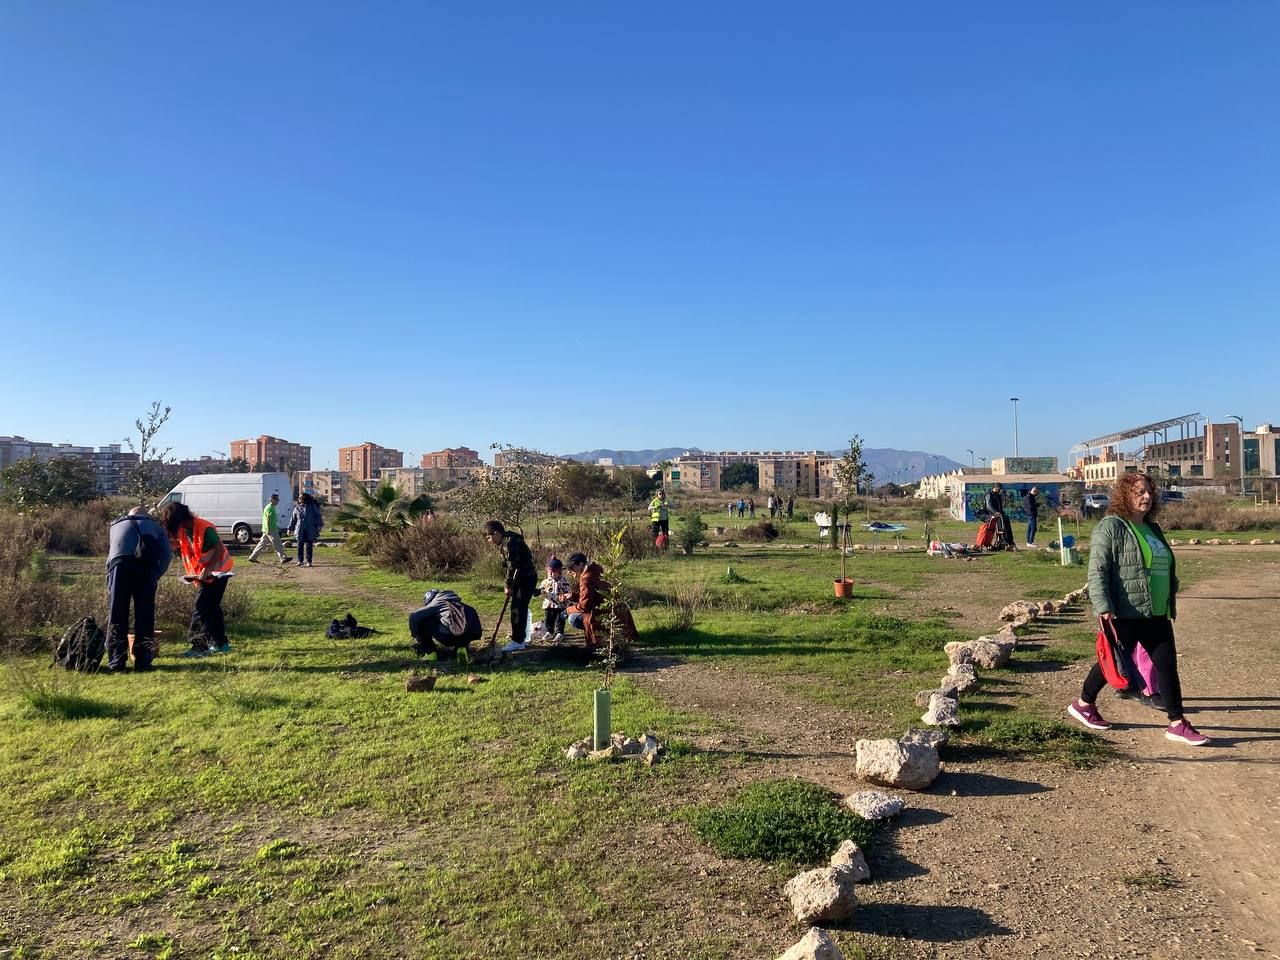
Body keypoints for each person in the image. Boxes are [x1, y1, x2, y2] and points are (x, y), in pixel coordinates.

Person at [1067, 472, 1207, 746]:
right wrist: (1103, 605)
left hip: (1155, 610)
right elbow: (1098, 570)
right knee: (1112, 662)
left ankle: (1177, 724)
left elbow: (1161, 563)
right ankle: (1084, 704)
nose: (1146, 496)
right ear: (1124, 496)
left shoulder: (1152, 528)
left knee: (1167, 665)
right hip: (1125, 610)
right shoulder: (1111, 527)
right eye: (1139, 492)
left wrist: (1170, 587)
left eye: (1149, 492)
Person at [158, 501, 234, 657]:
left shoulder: (204, 528)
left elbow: (219, 549)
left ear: (179, 520)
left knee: (201, 607)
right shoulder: (185, 530)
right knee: (213, 608)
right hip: (203, 575)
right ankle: (221, 644)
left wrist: (208, 568)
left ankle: (199, 646)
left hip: (218, 573)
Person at [104, 506, 171, 672]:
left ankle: (116, 662)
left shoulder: (115, 526)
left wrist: (110, 581)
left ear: (129, 515)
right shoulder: (156, 527)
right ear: (146, 516)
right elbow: (167, 555)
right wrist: (156, 575)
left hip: (119, 567)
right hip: (146, 569)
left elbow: (111, 555)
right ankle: (143, 661)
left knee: (117, 614)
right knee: (145, 615)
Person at [564, 552, 638, 651]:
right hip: (618, 612)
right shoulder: (597, 570)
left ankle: (601, 638)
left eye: (571, 568)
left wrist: (567, 611)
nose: (569, 571)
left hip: (605, 614)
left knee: (573, 618)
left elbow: (584, 607)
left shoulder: (586, 580)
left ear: (581, 564)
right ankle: (612, 636)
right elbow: (594, 596)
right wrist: (573, 596)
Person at [483, 520, 537, 653]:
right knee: (517, 608)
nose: (489, 541)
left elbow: (513, 566)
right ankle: (519, 639)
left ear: (496, 533)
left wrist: (508, 585)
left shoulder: (511, 543)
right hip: (522, 578)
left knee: (518, 609)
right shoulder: (507, 541)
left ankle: (518, 641)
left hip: (525, 578)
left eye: (489, 537)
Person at [408, 588, 483, 658]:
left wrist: (416, 635)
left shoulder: (437, 602)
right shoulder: (461, 605)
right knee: (461, 627)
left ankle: (430, 653)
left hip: (450, 638)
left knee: (423, 622)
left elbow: (413, 616)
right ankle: (461, 649)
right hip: (470, 636)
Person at [248, 493, 291, 565]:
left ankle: (253, 557)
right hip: (271, 530)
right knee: (277, 544)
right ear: (272, 500)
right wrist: (269, 529)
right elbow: (268, 519)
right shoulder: (270, 508)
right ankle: (283, 558)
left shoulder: (268, 507)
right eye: (277, 499)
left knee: (261, 544)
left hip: (266, 529)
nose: (278, 501)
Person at [540, 556, 572, 642]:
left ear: (559, 572)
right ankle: (549, 632)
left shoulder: (563, 581)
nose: (550, 574)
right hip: (549, 604)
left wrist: (566, 596)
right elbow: (542, 589)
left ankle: (559, 633)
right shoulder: (545, 581)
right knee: (548, 618)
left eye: (553, 572)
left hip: (560, 604)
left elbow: (567, 591)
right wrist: (539, 591)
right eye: (549, 572)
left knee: (560, 619)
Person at [288, 492, 324, 567]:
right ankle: (300, 560)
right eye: (299, 498)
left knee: (309, 545)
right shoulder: (297, 507)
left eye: (301, 498)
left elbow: (318, 516)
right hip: (300, 529)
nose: (299, 499)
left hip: (309, 529)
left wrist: (319, 525)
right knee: (300, 545)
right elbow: (293, 519)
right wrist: (290, 528)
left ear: (305, 498)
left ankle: (309, 561)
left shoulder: (312, 506)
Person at [984, 483, 1015, 550]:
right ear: (995, 488)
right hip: (993, 515)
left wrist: (1001, 512)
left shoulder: (997, 495)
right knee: (1002, 526)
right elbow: (989, 506)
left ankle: (1010, 541)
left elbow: (1000, 505)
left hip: (999, 513)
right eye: (998, 489)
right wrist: (995, 512)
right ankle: (1003, 540)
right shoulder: (989, 495)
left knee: (1006, 521)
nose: (999, 490)